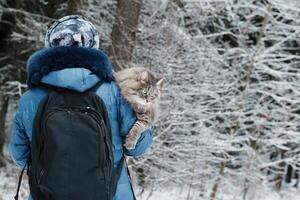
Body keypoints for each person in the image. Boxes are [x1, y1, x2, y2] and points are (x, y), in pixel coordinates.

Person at [9, 15, 153, 200]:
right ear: (93, 45)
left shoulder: (30, 98)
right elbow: (137, 147)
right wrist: (146, 116)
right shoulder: (116, 92)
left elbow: (19, 155)